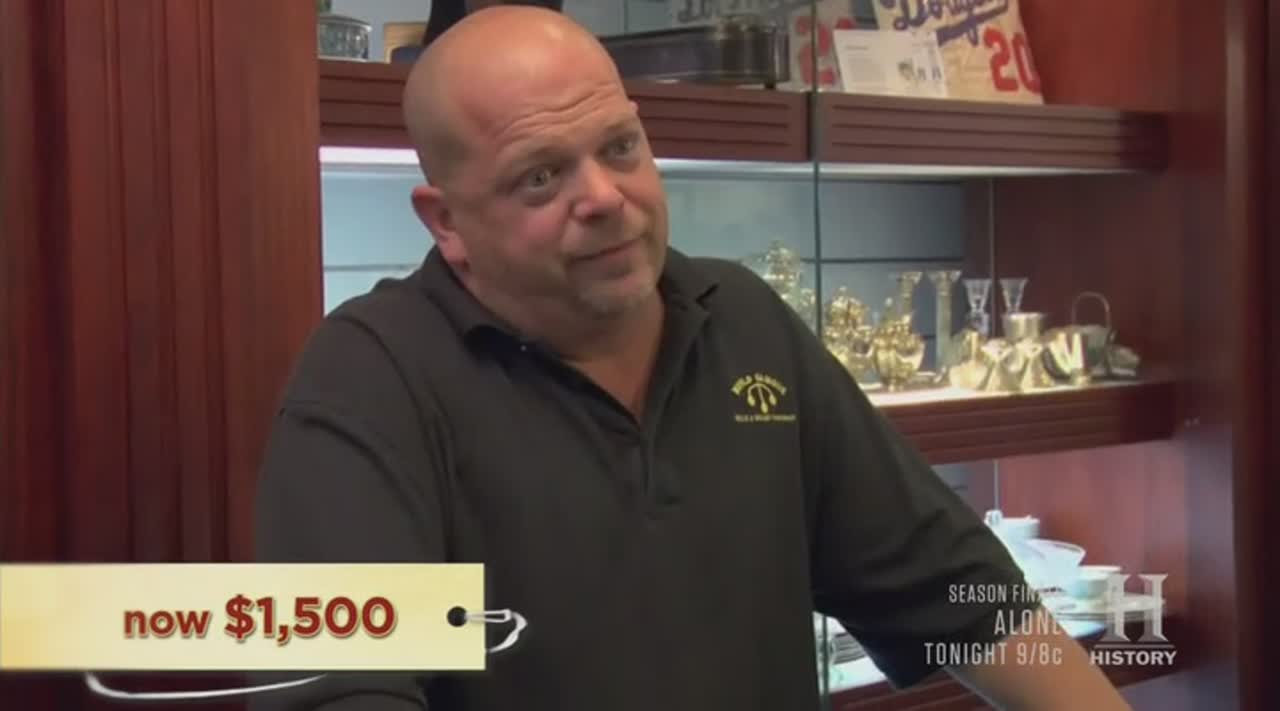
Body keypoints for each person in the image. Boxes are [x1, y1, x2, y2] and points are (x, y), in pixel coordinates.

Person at [253, 6, 1132, 711]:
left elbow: (963, 598)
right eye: (541, 176)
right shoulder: (371, 381)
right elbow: (343, 687)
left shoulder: (743, 324)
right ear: (445, 221)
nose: (604, 196)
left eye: (619, 148)